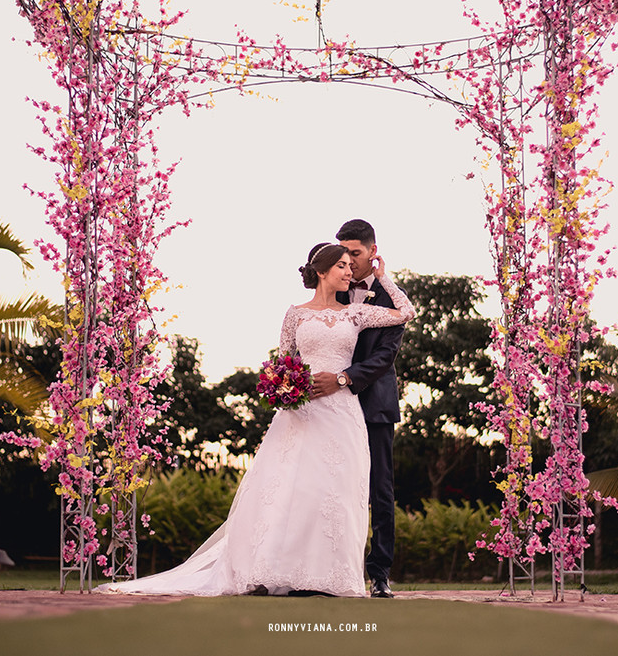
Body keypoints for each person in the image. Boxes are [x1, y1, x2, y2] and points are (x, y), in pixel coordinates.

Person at [97, 242, 413, 597]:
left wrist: (384, 277)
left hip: (342, 411)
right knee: (293, 490)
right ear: (322, 271)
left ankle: (327, 577)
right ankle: (275, 571)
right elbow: (283, 363)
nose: (349, 271)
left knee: (335, 492)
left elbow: (406, 312)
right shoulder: (295, 314)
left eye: (349, 265)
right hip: (302, 413)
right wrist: (285, 390)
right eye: (342, 265)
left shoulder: (355, 313)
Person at [312, 219, 403, 599]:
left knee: (379, 489)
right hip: (327, 406)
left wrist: (344, 378)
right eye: (342, 254)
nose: (348, 261)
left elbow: (385, 356)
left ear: (372, 252)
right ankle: (323, 571)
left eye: (355, 253)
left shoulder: (391, 297)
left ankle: (379, 574)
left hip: (374, 404)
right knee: (325, 486)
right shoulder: (332, 288)